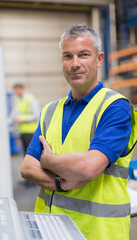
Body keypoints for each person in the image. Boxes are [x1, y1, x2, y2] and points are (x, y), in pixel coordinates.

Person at [21, 24, 137, 240]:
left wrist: (47, 160)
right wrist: (60, 183)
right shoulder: (50, 111)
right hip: (50, 228)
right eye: (68, 56)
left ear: (99, 59)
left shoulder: (114, 107)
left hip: (96, 232)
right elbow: (27, 167)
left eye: (83, 55)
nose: (75, 64)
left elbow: (89, 166)